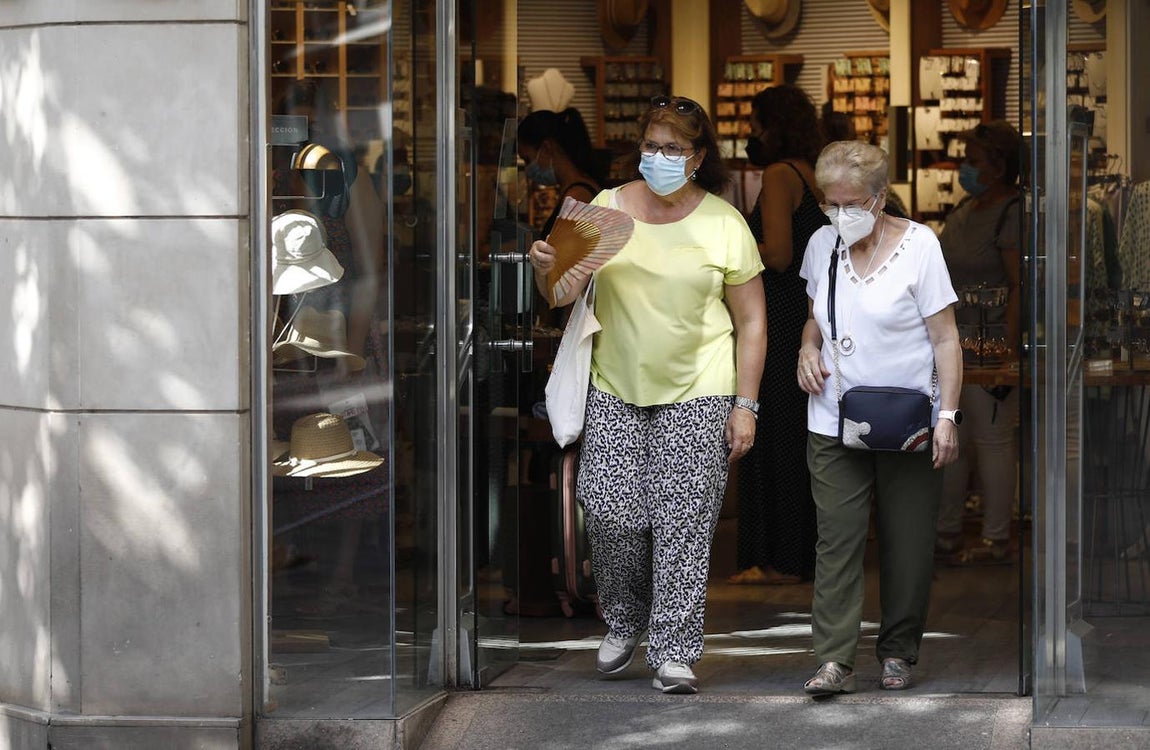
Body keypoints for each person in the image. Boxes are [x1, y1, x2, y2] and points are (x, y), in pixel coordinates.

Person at [527, 94, 767, 694]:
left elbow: (754, 321)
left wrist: (746, 403)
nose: (659, 157)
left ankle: (676, 648)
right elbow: (559, 293)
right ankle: (624, 617)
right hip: (615, 383)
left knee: (684, 520)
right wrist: (543, 266)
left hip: (701, 387)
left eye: (674, 148)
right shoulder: (605, 208)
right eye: (651, 146)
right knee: (609, 511)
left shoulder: (723, 222)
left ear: (699, 156)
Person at [797, 140, 962, 695]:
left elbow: (946, 339)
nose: (840, 214)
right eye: (830, 203)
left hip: (909, 417)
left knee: (908, 540)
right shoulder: (822, 244)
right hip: (833, 416)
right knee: (836, 539)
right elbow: (815, 317)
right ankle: (834, 659)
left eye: (851, 203)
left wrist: (948, 417)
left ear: (879, 197)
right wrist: (805, 349)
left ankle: (898, 651)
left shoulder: (920, 246)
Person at [729, 84, 827, 587]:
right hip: (805, 312)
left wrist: (734, 247)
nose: (751, 133)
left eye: (755, 122)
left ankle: (774, 557)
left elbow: (780, 254)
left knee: (770, 436)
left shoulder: (777, 174)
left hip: (781, 313)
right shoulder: (811, 174)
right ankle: (797, 552)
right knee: (798, 437)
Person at [935, 120, 1023, 566]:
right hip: (956, 342)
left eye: (973, 162)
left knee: (991, 439)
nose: (964, 170)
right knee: (953, 436)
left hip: (991, 344)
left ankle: (995, 538)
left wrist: (1008, 349)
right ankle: (947, 531)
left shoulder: (1010, 212)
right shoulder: (967, 207)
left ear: (998, 165)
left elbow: (1018, 285)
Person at [518, 107, 604, 238]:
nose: (528, 168)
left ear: (547, 148)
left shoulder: (577, 196)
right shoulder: (576, 190)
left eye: (527, 159)